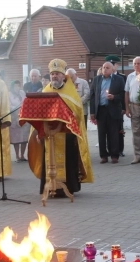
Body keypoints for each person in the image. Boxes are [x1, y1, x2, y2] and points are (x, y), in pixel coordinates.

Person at [28, 58, 94, 196]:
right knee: (49, 160)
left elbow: (77, 111)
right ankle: (50, 186)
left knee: (68, 161)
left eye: (57, 73)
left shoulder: (71, 92)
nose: (54, 76)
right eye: (52, 74)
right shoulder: (45, 91)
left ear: (63, 76)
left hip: (67, 134)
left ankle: (67, 188)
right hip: (49, 134)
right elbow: (39, 115)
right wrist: (39, 132)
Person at [90, 62, 125, 164]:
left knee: (113, 133)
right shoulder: (97, 80)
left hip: (113, 109)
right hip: (100, 110)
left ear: (112, 70)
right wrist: (92, 112)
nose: (105, 69)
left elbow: (123, 94)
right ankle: (103, 156)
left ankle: (114, 155)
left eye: (107, 68)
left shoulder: (118, 79)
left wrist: (114, 97)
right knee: (101, 134)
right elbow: (92, 96)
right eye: (103, 67)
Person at [105, 55, 126, 157]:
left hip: (118, 106)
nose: (112, 66)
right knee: (109, 130)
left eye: (114, 64)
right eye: (110, 64)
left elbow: (124, 94)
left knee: (119, 128)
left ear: (116, 66)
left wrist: (124, 108)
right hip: (106, 108)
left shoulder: (122, 77)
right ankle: (110, 149)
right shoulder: (103, 76)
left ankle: (120, 149)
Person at [9, 80, 30, 162]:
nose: (17, 87)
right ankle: (17, 155)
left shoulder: (22, 93)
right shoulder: (9, 94)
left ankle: (22, 155)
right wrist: (17, 108)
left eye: (18, 85)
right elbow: (9, 106)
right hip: (14, 118)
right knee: (16, 139)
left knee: (24, 138)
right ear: (12, 86)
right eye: (15, 86)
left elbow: (26, 102)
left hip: (23, 118)